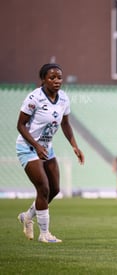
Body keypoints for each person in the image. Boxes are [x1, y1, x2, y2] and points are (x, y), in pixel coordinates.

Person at [16, 63, 85, 243]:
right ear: (43, 80)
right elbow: (20, 125)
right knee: (43, 188)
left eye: (59, 77)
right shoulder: (34, 98)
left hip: (46, 147)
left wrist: (75, 146)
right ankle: (45, 234)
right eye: (52, 77)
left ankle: (27, 216)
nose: (56, 81)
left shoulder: (63, 98)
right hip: (27, 147)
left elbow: (65, 124)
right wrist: (36, 146)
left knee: (54, 189)